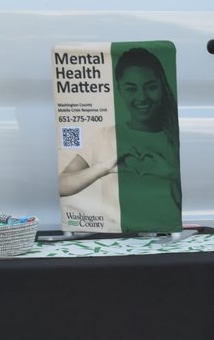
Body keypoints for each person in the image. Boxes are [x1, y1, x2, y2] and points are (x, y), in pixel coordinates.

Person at [58, 47, 181, 228]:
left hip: (163, 236)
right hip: (115, 236)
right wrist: (104, 167)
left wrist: (168, 174)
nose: (142, 97)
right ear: (119, 89)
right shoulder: (104, 136)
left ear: (162, 86)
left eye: (151, 87)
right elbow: (63, 186)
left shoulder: (174, 136)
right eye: (131, 89)